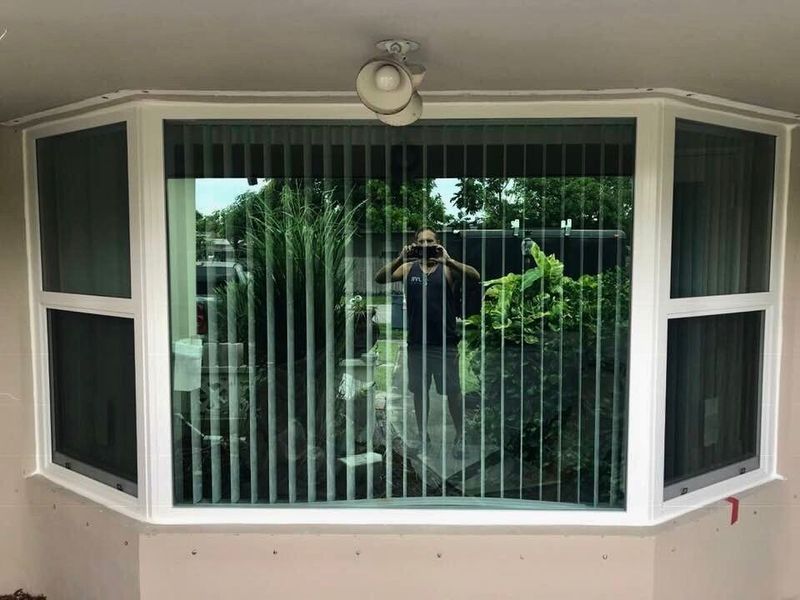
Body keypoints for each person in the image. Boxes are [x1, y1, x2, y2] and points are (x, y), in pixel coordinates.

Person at [375, 227, 480, 459]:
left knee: (453, 392)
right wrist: (400, 258)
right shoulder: (407, 268)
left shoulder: (446, 269)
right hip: (417, 345)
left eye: (429, 241)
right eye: (420, 241)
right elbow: (379, 278)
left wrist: (449, 260)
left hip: (445, 345)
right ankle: (424, 438)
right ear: (415, 244)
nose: (425, 245)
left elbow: (475, 276)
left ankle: (460, 436)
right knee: (419, 393)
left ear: (437, 242)